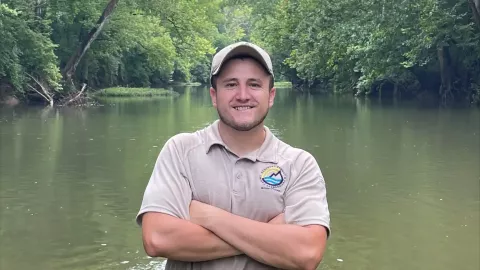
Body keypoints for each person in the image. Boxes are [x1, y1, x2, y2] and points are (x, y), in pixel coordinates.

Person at [136, 41, 331, 270]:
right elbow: (157, 238)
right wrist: (272, 234)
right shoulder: (180, 151)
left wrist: (208, 217)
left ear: (271, 96)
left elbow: (306, 253)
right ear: (214, 95)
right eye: (230, 84)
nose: (242, 95)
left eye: (254, 84)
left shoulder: (300, 164)